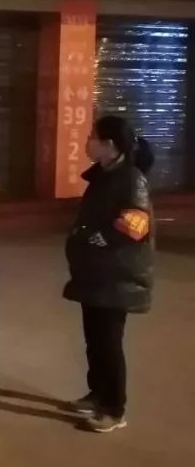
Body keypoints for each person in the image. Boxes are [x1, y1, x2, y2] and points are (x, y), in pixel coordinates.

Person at [63, 115, 154, 434]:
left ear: (110, 144)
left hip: (117, 275)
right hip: (95, 271)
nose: (87, 142)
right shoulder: (103, 175)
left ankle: (115, 409)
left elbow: (137, 223)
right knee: (95, 340)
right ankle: (98, 393)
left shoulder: (131, 179)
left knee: (109, 342)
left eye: (93, 136)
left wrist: (102, 238)